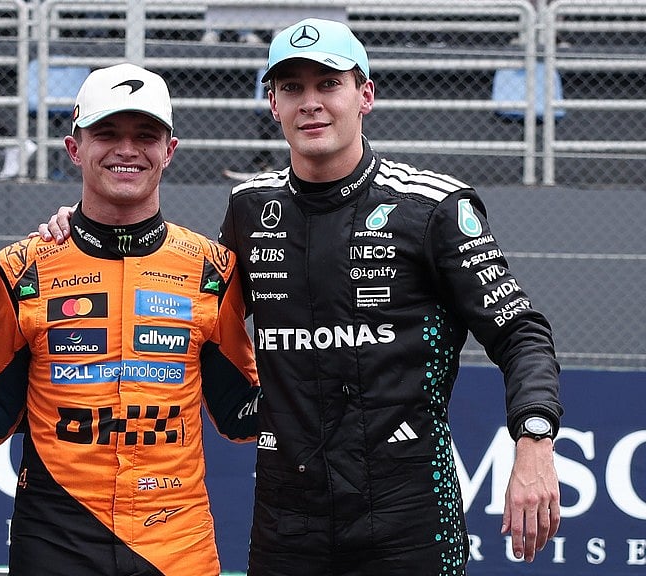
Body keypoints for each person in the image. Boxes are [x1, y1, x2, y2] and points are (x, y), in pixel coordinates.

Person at [40, 18, 563, 575]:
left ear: (365, 95)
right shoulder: (249, 208)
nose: (310, 102)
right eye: (292, 87)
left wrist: (533, 441)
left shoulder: (433, 207)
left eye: (328, 84)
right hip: (287, 523)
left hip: (408, 518)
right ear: (273, 104)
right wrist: (89, 234)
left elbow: (522, 334)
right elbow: (186, 299)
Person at [0, 63, 261, 576]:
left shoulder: (213, 269)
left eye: (145, 136)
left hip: (176, 544)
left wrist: (340, 369)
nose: (127, 149)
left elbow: (238, 415)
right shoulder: (20, 268)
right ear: (74, 148)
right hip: (56, 541)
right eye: (106, 134)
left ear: (169, 150)